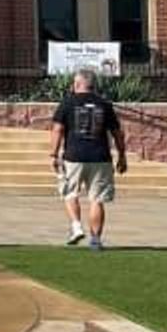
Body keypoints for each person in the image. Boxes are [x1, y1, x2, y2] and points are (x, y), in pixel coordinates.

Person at [51, 70, 127, 251]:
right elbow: (117, 133)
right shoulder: (105, 104)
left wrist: (53, 154)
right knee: (96, 199)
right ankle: (95, 240)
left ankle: (76, 227)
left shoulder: (67, 103)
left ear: (77, 84)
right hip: (100, 157)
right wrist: (122, 155)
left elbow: (57, 130)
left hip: (74, 156)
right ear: (93, 85)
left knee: (70, 193)